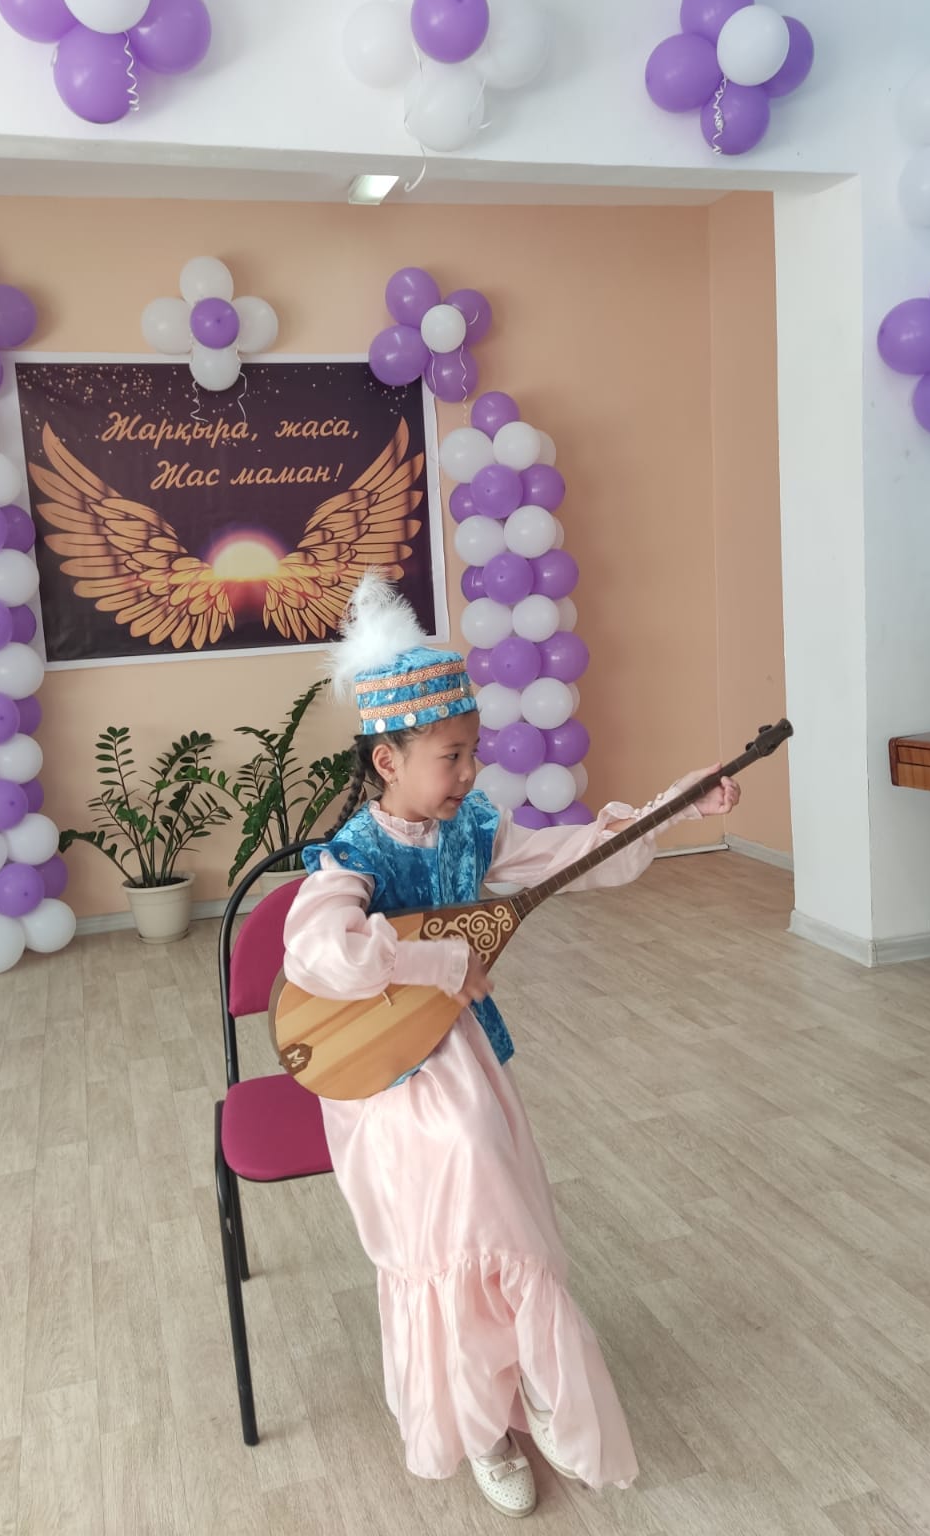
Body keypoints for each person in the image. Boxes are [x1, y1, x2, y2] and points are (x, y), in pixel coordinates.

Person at [282, 575, 740, 1517]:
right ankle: (480, 1426)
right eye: (450, 756)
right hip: (389, 1082)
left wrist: (674, 806)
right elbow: (318, 953)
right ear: (387, 760)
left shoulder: (472, 833)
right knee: (456, 1215)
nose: (469, 773)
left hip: (463, 1058)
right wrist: (436, 958)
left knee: (505, 1222)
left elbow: (571, 856)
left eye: (474, 752)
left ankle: (526, 1379)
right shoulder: (352, 856)